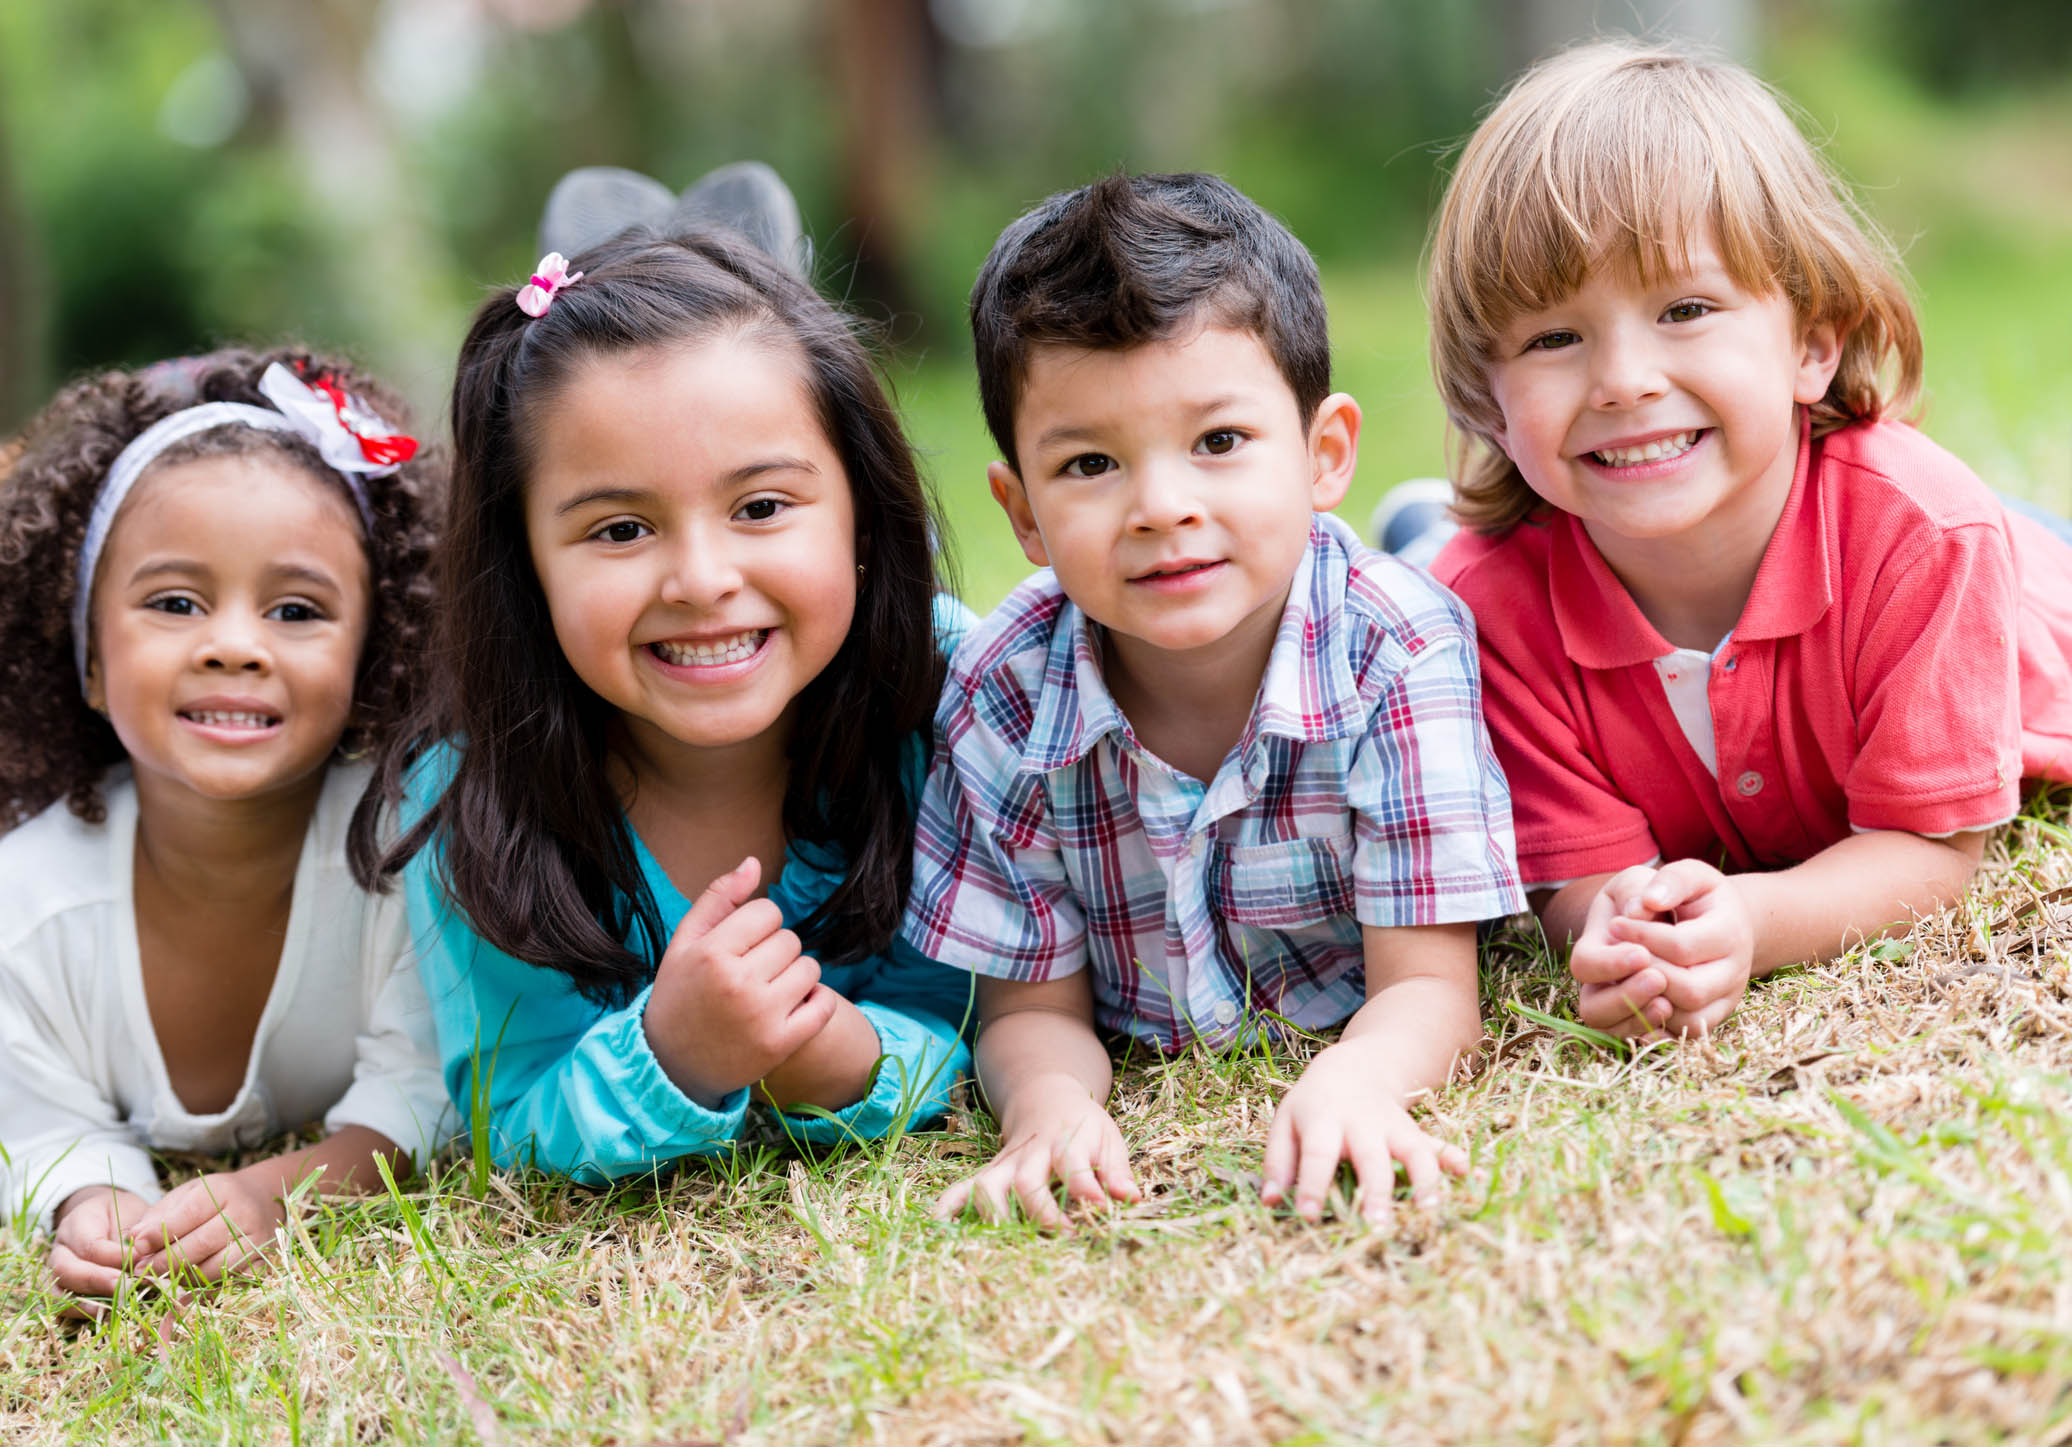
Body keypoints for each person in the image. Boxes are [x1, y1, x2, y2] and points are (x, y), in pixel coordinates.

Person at [1409, 39, 2072, 1041]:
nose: (1622, 379)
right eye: (1553, 337)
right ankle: (1423, 517)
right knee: (1434, 565)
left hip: (2026, 585)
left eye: (1684, 309)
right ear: (1485, 403)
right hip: (1511, 552)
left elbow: (1929, 850)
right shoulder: (1477, 613)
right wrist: (1628, 933)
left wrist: (1752, 922)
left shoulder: (1926, 538)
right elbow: (1579, 875)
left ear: (1811, 342)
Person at [903, 173, 1525, 1228]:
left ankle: (1423, 527)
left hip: (1376, 653)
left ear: (1322, 453)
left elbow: (1428, 983)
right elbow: (1029, 1004)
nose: (1161, 507)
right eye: (1091, 463)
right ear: (1022, 513)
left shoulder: (1397, 648)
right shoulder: (1001, 690)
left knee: (1429, 574)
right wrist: (1047, 1104)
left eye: (1219, 443)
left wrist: (1362, 1075)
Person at [359, 224, 973, 1181]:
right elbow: (511, 1111)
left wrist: (841, 1061)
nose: (700, 578)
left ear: (863, 509)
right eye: (621, 528)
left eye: (761, 506)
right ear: (524, 568)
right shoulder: (476, 795)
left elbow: (990, 1003)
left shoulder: (951, 688)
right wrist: (670, 1054)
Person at [0, 346, 453, 1299]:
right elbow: (36, 1119)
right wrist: (96, 1202)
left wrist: (281, 1192)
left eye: (296, 609)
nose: (235, 647)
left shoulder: (411, 856)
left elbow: (427, 1084)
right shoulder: (24, 906)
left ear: (374, 656)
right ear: (86, 655)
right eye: (175, 602)